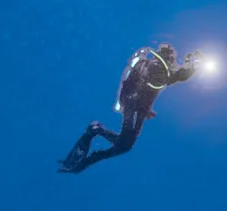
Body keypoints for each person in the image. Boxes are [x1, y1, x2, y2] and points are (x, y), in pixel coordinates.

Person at [59, 42, 199, 174]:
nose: (173, 63)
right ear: (166, 57)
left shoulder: (155, 67)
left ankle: (95, 135)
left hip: (138, 108)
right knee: (125, 145)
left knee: (125, 144)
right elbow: (170, 77)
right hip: (133, 105)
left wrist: (190, 66)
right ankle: (93, 138)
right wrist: (189, 67)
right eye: (171, 59)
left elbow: (175, 76)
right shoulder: (155, 67)